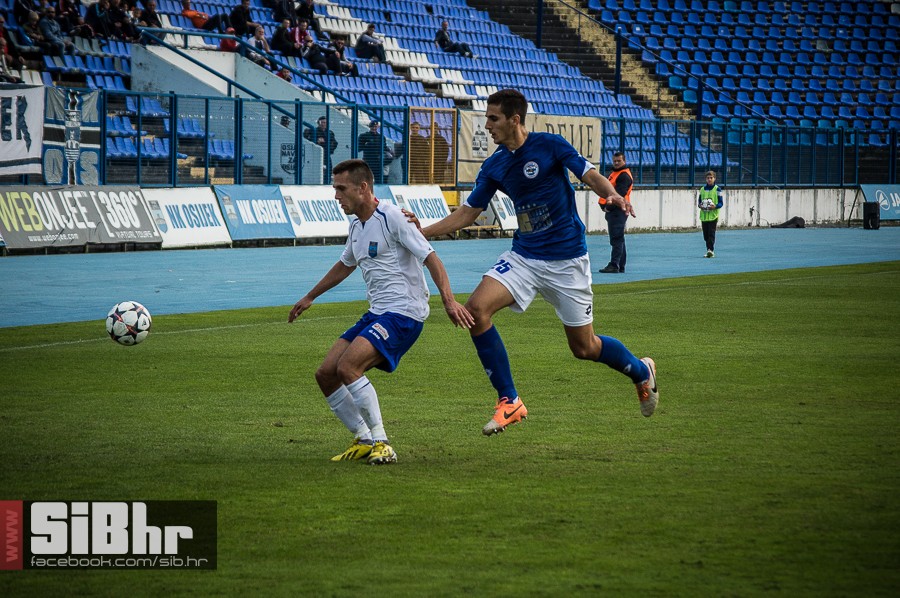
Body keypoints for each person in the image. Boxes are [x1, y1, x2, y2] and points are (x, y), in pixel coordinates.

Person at [406, 89, 659, 435]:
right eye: (485, 118)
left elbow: (589, 175)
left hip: (567, 260)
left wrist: (611, 194)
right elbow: (468, 213)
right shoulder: (495, 164)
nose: (487, 126)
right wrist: (424, 231)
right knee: (477, 310)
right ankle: (509, 400)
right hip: (523, 257)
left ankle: (641, 372)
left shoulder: (550, 145)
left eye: (493, 118)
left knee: (584, 348)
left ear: (515, 119)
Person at [288, 159, 473, 465]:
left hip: (405, 313)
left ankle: (382, 442)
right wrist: (310, 296)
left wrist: (449, 301)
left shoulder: (393, 218)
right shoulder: (357, 225)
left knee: (348, 367)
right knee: (326, 374)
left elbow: (431, 258)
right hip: (378, 313)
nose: (336, 196)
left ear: (363, 188)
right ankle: (362, 437)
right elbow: (346, 264)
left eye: (341, 189)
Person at [597, 151, 635, 273]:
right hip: (616, 210)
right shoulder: (616, 173)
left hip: (617, 210)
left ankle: (614, 264)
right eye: (615, 161)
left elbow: (618, 195)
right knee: (619, 238)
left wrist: (607, 208)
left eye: (619, 161)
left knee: (616, 238)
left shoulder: (623, 175)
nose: (616, 163)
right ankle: (620, 265)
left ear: (624, 161)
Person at [698, 170, 724, 258]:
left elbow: (721, 203)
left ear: (714, 179)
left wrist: (715, 206)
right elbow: (699, 201)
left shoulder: (718, 189)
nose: (709, 179)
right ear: (706, 179)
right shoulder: (702, 189)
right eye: (708, 178)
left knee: (711, 234)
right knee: (705, 235)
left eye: (711, 178)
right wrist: (700, 205)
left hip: (713, 216)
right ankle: (708, 249)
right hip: (704, 216)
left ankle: (710, 250)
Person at [304, 115, 338, 181]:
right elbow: (307, 141)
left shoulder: (330, 133)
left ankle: (327, 182)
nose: (323, 124)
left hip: (326, 155)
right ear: (318, 123)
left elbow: (335, 143)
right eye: (322, 122)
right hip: (316, 155)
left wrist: (329, 148)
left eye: (325, 123)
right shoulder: (313, 131)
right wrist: (316, 141)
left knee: (328, 170)